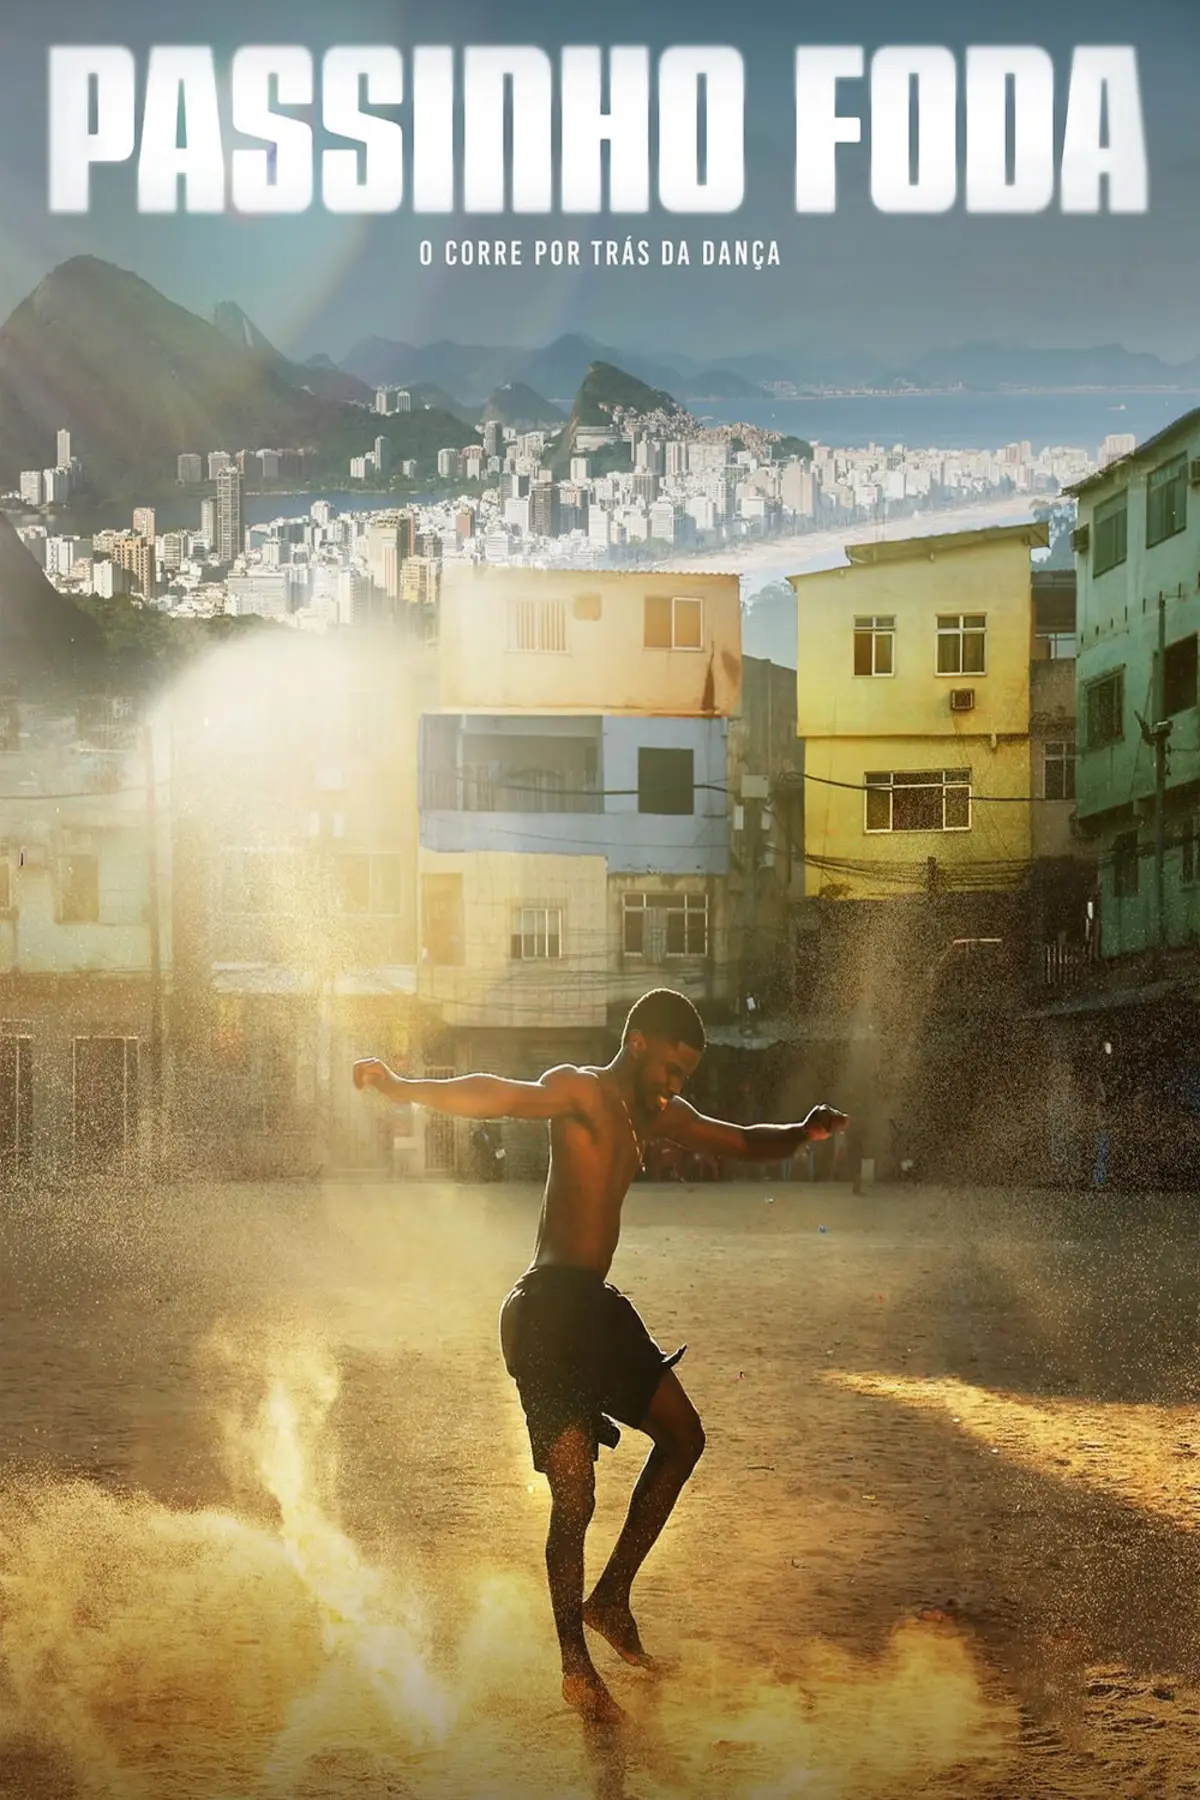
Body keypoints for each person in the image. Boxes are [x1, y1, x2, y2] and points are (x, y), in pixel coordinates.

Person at [353, 988, 847, 1725]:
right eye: (672, 1067)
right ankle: (574, 1667)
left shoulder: (659, 1116)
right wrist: (402, 1087)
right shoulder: (581, 1091)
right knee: (575, 1497)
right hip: (546, 1311)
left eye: (687, 1074)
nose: (676, 1085)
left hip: (596, 1308)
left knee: (685, 1436)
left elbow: (740, 1140)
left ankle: (611, 1598)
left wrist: (801, 1132)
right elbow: (499, 1097)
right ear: (639, 1043)